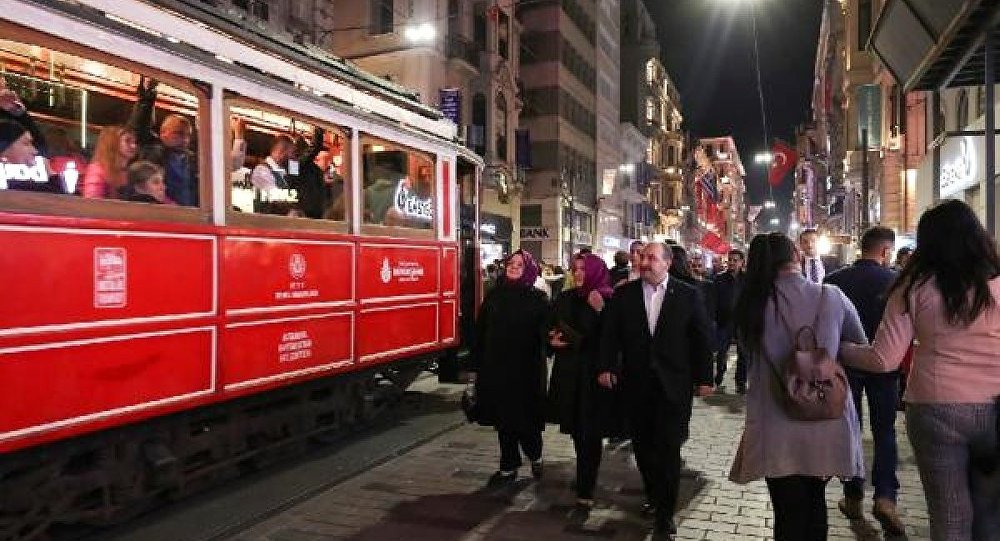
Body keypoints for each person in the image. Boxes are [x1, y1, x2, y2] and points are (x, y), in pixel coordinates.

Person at [840, 200, 1000, 541]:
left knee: (949, 514)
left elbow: (884, 359)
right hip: (995, 408)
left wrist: (841, 351)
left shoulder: (913, 286)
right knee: (990, 512)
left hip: (934, 408)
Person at [729, 232, 867, 541]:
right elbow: (858, 341)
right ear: (796, 254)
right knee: (816, 506)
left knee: (787, 512)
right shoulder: (830, 295)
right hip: (824, 415)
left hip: (774, 420)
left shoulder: (752, 303)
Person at [599, 242, 714, 539]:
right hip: (636, 384)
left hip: (673, 385)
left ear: (667, 262)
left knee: (668, 449)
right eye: (643, 257)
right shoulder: (625, 294)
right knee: (644, 447)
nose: (645, 262)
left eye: (652, 258)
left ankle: (666, 513)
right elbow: (610, 335)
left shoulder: (688, 295)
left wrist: (705, 378)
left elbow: (701, 338)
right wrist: (606, 366)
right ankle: (653, 493)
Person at [824, 226, 905, 535]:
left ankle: (853, 494)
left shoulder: (835, 281)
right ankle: (885, 496)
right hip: (885, 368)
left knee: (851, 429)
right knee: (885, 432)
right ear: (885, 251)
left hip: (845, 366)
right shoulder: (897, 282)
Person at [469, 250, 550, 486]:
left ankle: (535, 455)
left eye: (519, 264)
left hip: (526, 372)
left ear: (529, 269)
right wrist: (475, 368)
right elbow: (480, 333)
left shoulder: (538, 298)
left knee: (526, 422)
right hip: (496, 369)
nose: (513, 267)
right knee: (503, 421)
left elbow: (547, 333)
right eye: (510, 263)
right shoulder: (494, 296)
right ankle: (508, 466)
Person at [546, 252, 619, 518]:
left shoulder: (607, 299)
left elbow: (612, 339)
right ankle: (583, 475)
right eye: (575, 269)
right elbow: (551, 326)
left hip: (593, 377)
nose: (578, 274)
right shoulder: (565, 298)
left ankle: (586, 490)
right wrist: (550, 340)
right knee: (577, 431)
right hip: (568, 375)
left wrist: (600, 311)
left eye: (583, 270)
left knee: (590, 433)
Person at [131, 77, 198, 206]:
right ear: (163, 133)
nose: (185, 139)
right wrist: (148, 95)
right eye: (178, 133)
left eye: (188, 135)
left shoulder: (192, 159)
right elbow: (140, 126)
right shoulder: (151, 149)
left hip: (190, 218)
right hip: (160, 215)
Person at [713, 249, 748, 392]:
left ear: (741, 262)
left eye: (735, 260)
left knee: (743, 354)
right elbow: (714, 300)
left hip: (742, 322)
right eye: (730, 260)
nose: (732, 263)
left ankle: (740, 382)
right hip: (724, 321)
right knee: (721, 352)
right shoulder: (719, 279)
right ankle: (719, 375)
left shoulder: (747, 280)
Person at [82, 125, 138, 199]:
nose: (134, 146)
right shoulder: (97, 170)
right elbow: (93, 204)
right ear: (112, 143)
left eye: (134, 142)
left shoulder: (132, 171)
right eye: (127, 141)